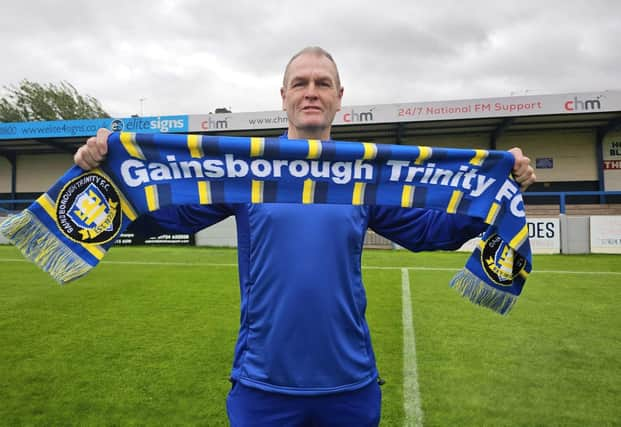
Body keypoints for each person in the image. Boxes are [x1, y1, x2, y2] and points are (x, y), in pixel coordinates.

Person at [75, 47, 536, 427]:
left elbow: (425, 231)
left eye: (322, 83)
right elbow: (168, 216)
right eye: (301, 83)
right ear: (283, 96)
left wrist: (496, 194)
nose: (311, 92)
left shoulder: (361, 175)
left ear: (339, 97)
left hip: (351, 387)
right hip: (261, 388)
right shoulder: (247, 169)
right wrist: (107, 176)